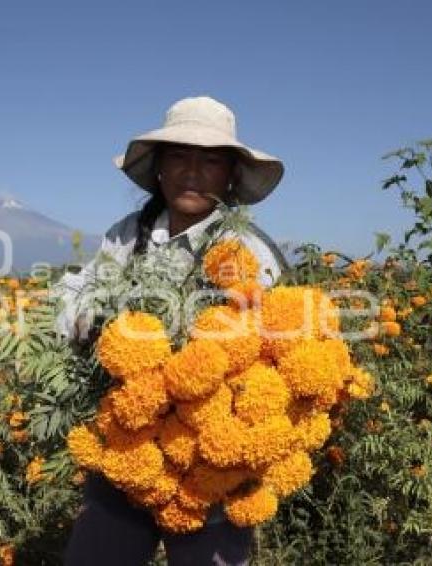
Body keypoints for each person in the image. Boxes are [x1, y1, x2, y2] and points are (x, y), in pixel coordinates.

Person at [57, 96, 288, 565]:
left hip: (209, 466)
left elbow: (270, 354)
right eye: (179, 156)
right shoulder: (130, 234)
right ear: (159, 168)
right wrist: (94, 322)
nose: (192, 171)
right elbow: (76, 293)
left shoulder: (246, 251)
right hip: (128, 440)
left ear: (230, 176)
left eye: (210, 160)